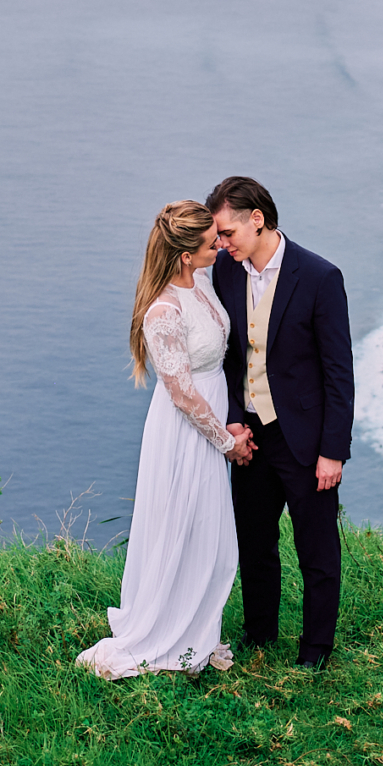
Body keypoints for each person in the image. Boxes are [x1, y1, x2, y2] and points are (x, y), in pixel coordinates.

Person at [77, 200, 253, 680]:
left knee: (208, 537)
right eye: (210, 242)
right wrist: (226, 440)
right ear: (184, 255)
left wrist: (233, 421)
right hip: (186, 433)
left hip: (213, 420)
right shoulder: (163, 312)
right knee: (185, 529)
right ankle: (168, 637)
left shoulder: (201, 283)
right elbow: (180, 392)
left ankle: (198, 631)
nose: (219, 245)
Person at [208, 176, 354, 671]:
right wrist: (231, 422)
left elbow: (339, 373)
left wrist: (332, 451)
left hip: (306, 440)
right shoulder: (227, 274)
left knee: (316, 547)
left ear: (257, 219)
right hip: (250, 435)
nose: (221, 244)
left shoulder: (319, 276)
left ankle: (315, 651)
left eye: (227, 233)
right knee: (253, 539)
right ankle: (260, 633)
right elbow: (229, 360)